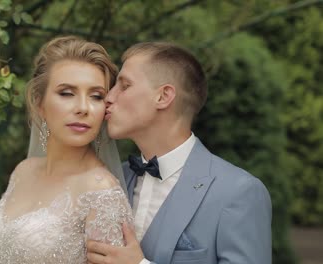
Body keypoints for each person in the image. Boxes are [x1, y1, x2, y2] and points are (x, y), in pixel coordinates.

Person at [86, 42, 272, 264]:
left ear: (163, 96)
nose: (109, 97)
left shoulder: (238, 192)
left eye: (124, 86)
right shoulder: (110, 181)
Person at [0, 36, 133, 264]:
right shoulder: (23, 170)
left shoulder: (100, 191)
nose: (83, 108)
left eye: (96, 96)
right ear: (39, 103)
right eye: (66, 93)